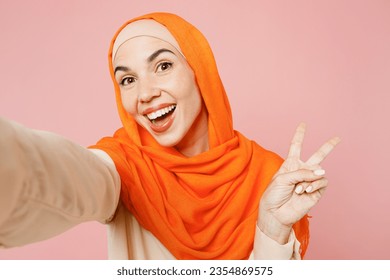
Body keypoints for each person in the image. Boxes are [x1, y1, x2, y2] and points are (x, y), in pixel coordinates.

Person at [0, 12, 340, 260]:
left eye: (163, 66)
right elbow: (65, 175)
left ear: (199, 71)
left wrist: (272, 227)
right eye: (128, 80)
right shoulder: (124, 166)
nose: (144, 94)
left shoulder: (269, 176)